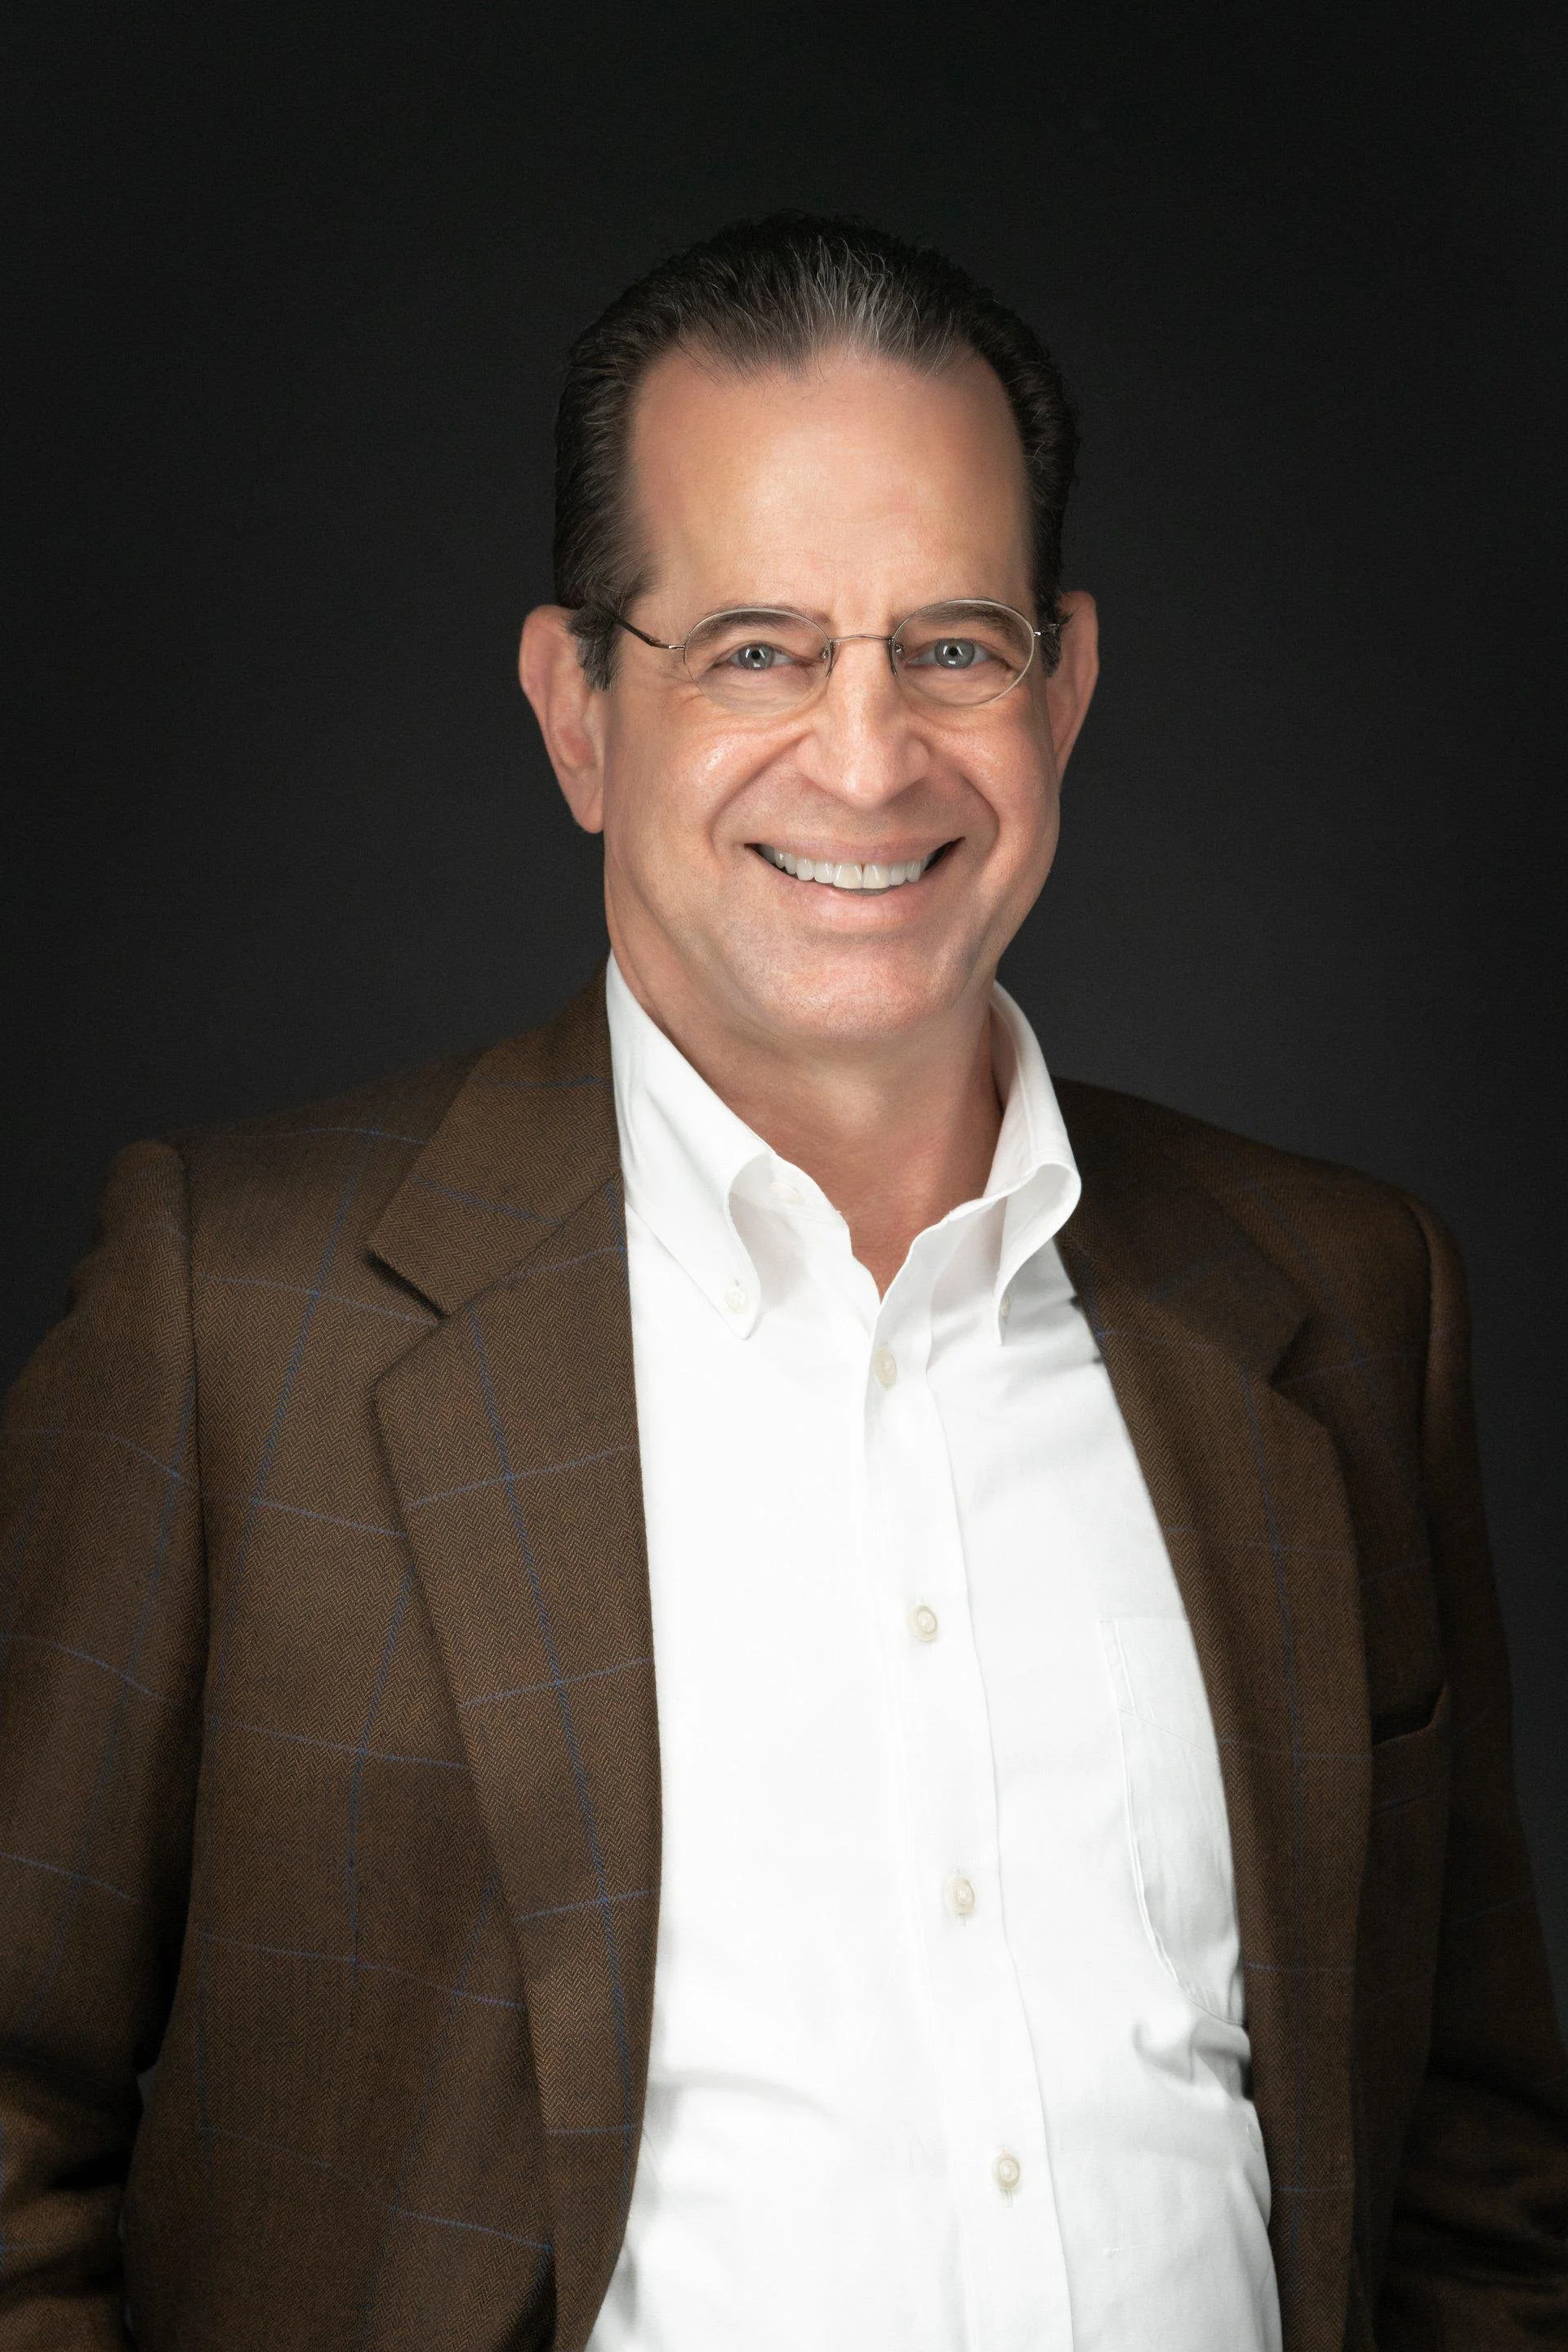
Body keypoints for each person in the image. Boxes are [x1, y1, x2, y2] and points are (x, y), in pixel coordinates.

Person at [0, 213, 1562, 2352]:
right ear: (577, 710)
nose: (868, 754)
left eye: (955, 649)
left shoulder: (1345, 1307)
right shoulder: (236, 1319)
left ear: (1067, 689)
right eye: (755, 650)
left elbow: (1476, 2165)